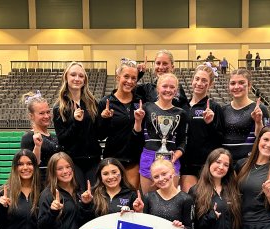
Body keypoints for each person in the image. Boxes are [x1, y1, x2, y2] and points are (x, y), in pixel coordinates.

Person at [134, 73, 188, 194]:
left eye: (172, 87)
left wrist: (177, 155)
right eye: (164, 86)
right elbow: (137, 135)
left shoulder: (181, 113)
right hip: (148, 157)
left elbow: (183, 140)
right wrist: (137, 121)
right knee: (148, 199)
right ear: (158, 88)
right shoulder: (147, 108)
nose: (168, 90)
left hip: (170, 159)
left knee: (170, 200)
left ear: (176, 91)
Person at [53, 62, 102, 191]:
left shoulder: (92, 103)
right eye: (73, 75)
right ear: (66, 77)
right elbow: (62, 139)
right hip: (73, 162)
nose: (77, 78)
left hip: (93, 160)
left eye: (81, 76)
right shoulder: (59, 107)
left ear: (85, 80)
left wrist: (105, 120)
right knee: (78, 195)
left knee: (94, 195)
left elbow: (100, 134)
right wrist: (76, 122)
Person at [97, 58, 144, 189]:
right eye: (126, 76)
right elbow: (100, 135)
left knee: (131, 196)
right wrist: (105, 119)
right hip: (113, 160)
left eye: (134, 78)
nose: (130, 81)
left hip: (134, 161)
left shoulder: (140, 101)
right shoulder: (106, 102)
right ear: (118, 77)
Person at [180, 64, 223, 193]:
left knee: (206, 201)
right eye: (197, 79)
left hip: (206, 164)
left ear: (210, 85)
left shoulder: (214, 108)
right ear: (192, 80)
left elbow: (220, 139)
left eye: (204, 80)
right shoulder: (182, 107)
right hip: (187, 164)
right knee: (189, 200)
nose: (199, 83)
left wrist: (210, 124)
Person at [222, 69, 269, 163]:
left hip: (249, 164)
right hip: (226, 164)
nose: (236, 87)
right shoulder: (223, 110)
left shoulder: (260, 109)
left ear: (249, 85)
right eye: (233, 83)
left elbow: (266, 139)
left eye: (241, 83)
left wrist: (258, 122)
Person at [21, 91, 60, 185]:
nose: (46, 116)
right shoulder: (28, 137)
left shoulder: (54, 136)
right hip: (40, 184)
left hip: (57, 181)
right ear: (31, 116)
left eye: (48, 112)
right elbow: (29, 164)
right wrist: (37, 146)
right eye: (41, 113)